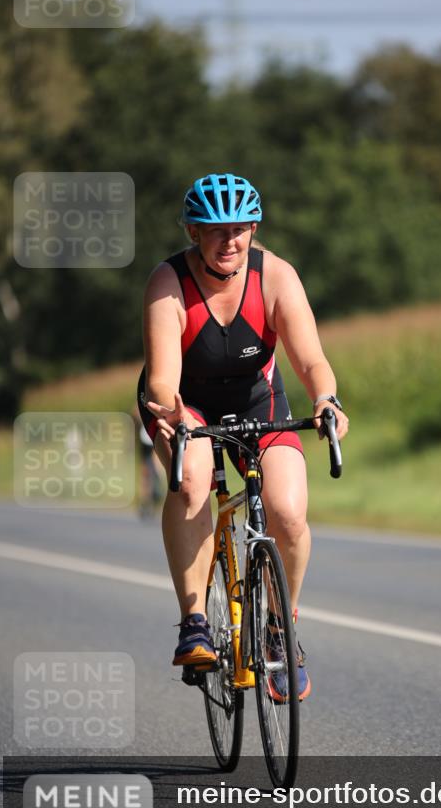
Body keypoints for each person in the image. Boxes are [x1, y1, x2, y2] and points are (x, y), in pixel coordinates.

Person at [137, 173, 348, 701]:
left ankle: (281, 630)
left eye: (239, 229)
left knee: (289, 512)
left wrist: (326, 399)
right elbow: (162, 374)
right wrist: (173, 410)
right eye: (214, 230)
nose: (228, 241)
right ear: (192, 231)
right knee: (193, 482)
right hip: (185, 403)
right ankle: (194, 624)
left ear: (253, 229)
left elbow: (312, 361)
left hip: (260, 400)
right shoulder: (168, 283)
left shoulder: (275, 276)